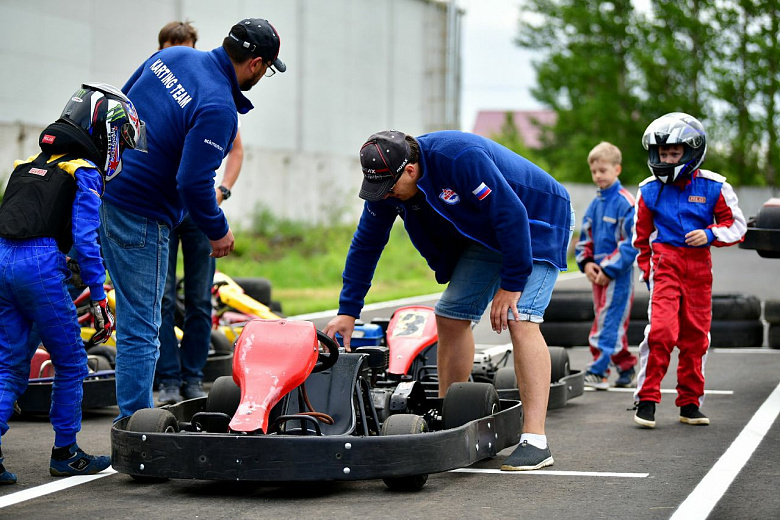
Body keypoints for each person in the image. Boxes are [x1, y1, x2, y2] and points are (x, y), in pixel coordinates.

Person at [324, 130, 573, 471]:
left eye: (389, 187)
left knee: (521, 317)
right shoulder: (389, 184)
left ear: (410, 170)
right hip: (490, 230)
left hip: (537, 218)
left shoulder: (459, 157)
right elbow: (366, 245)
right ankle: (452, 416)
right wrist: (347, 311)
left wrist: (512, 285)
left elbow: (510, 213)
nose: (384, 196)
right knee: (450, 315)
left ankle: (535, 441)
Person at [99, 17, 285, 420]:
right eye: (267, 69)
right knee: (141, 326)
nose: (263, 76)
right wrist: (217, 229)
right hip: (142, 214)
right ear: (254, 64)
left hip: (105, 194)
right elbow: (193, 180)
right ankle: (135, 427)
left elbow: (120, 108)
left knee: (131, 312)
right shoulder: (219, 105)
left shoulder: (175, 56)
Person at [0, 83, 146, 483]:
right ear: (105, 131)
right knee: (70, 362)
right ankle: (66, 452)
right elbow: (85, 240)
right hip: (41, 267)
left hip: (3, 262)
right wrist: (98, 296)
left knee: (9, 366)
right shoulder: (84, 172)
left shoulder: (26, 165)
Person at [632, 112, 746, 428]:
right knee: (661, 332)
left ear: (692, 151)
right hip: (664, 264)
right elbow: (639, 239)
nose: (667, 158)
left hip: (698, 269)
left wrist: (709, 234)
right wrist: (648, 273)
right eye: (663, 153)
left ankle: (690, 403)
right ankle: (647, 399)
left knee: (696, 337)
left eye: (674, 153)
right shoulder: (648, 190)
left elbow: (736, 226)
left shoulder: (714, 186)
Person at [153, 21, 245, 405]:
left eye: (184, 44)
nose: (178, 50)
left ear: (195, 46)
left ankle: (192, 377)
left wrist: (221, 191)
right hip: (160, 206)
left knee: (198, 298)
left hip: (197, 211)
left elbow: (236, 149)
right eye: (171, 45)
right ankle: (169, 379)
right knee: (157, 299)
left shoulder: (212, 94)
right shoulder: (160, 82)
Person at [575, 142, 638, 390]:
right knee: (605, 320)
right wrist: (587, 264)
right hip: (597, 276)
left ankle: (599, 371)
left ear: (617, 170)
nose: (598, 176)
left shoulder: (626, 203)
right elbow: (585, 238)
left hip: (617, 276)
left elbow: (631, 243)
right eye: (594, 172)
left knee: (608, 322)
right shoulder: (594, 204)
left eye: (603, 170)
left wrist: (608, 269)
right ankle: (626, 367)